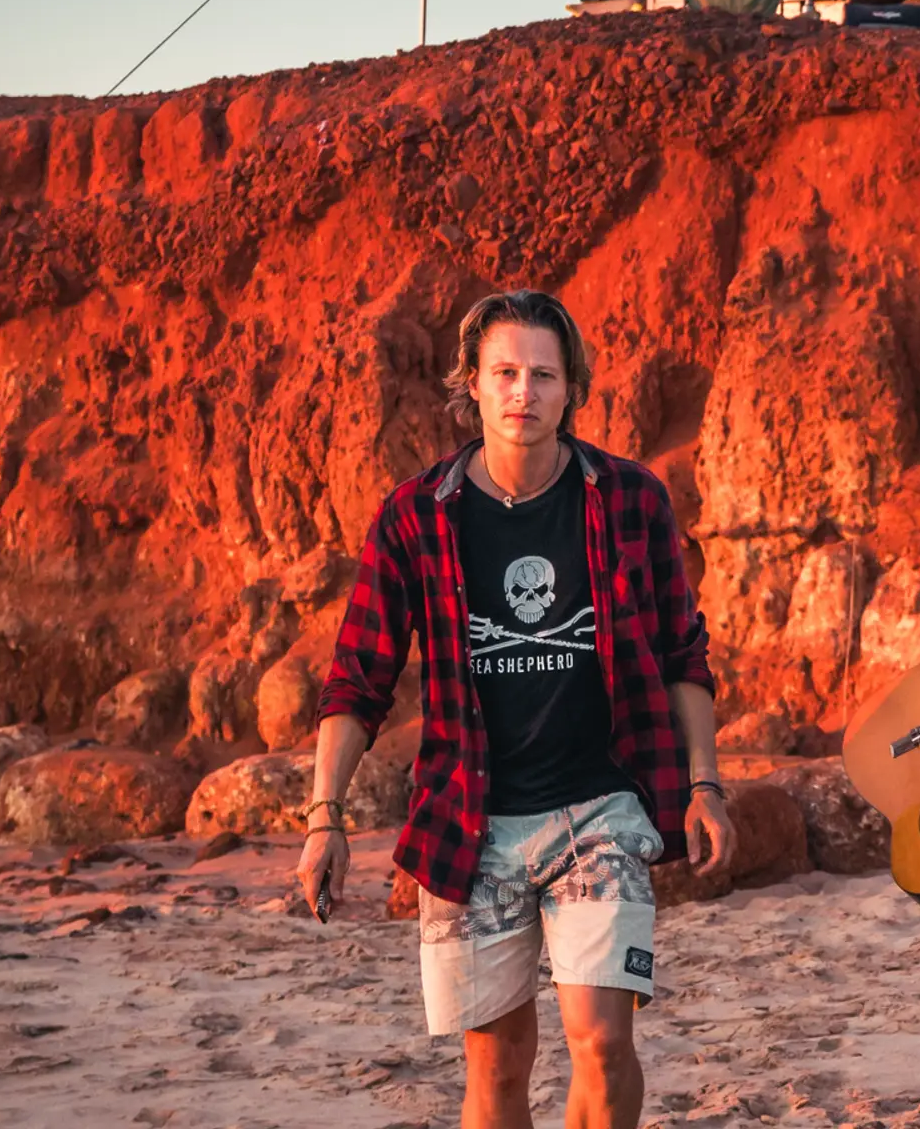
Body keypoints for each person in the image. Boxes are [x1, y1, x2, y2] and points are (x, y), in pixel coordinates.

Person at [294, 289, 735, 1129]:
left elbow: (684, 652)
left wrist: (704, 785)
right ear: (472, 383)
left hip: (600, 808)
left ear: (573, 388)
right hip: (472, 821)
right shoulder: (416, 517)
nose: (522, 393)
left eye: (543, 374)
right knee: (497, 1071)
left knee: (602, 1044)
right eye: (504, 373)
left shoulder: (630, 499)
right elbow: (357, 679)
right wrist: (325, 817)